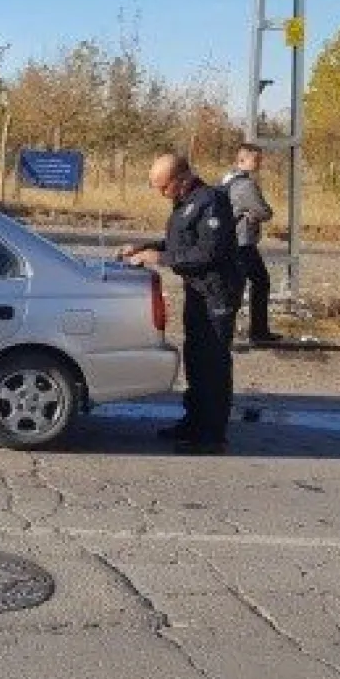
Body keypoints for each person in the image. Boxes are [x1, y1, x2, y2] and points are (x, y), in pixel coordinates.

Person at [120, 153, 243, 455]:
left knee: (213, 362)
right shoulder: (186, 202)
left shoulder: (212, 201)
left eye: (164, 187)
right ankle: (194, 421)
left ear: (182, 179)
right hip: (197, 292)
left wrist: (159, 259)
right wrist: (146, 247)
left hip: (217, 293)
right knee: (195, 357)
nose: (162, 194)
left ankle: (212, 435)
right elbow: (181, 243)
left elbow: (208, 253)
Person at [222, 143, 279, 345]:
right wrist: (254, 213)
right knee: (258, 283)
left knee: (236, 286)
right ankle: (257, 332)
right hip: (243, 242)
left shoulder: (227, 179)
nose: (259, 163)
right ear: (242, 159)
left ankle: (233, 332)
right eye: (256, 159)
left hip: (231, 240)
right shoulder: (246, 185)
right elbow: (265, 212)